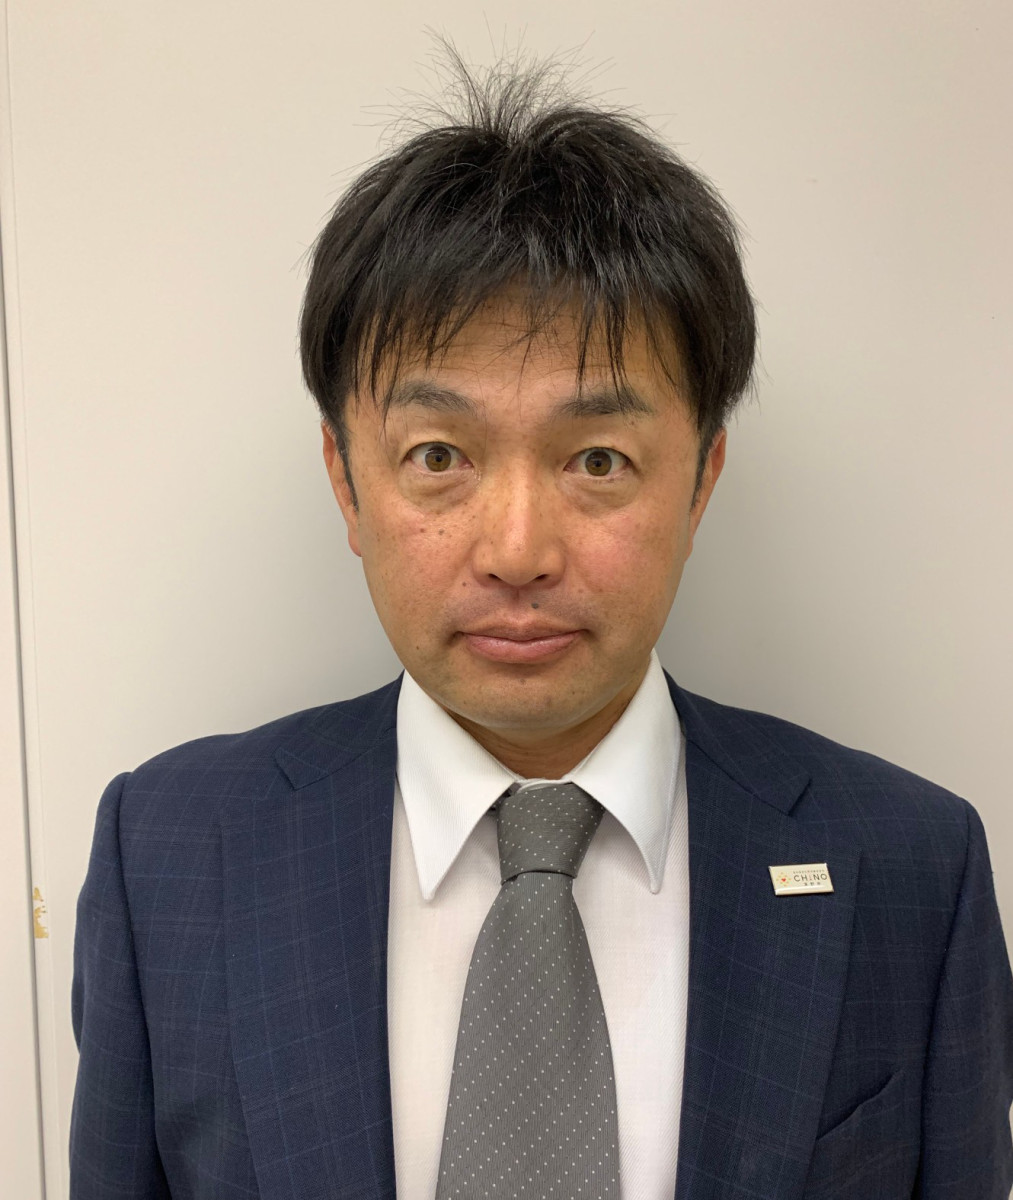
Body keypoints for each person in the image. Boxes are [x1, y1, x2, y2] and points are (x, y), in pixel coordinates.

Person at [70, 55, 1013, 1200]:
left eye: (597, 460)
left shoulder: (908, 867)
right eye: (437, 455)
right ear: (345, 479)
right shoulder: (170, 857)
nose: (516, 550)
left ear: (701, 479)